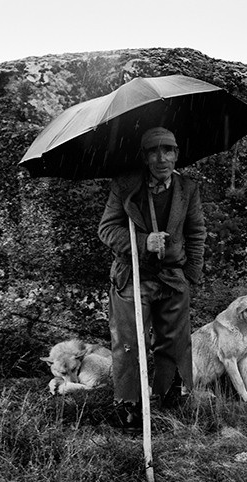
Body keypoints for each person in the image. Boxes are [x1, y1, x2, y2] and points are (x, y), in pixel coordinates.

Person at [98, 127, 206, 433]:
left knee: (174, 340)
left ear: (177, 154)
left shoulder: (187, 188)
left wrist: (190, 275)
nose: (162, 158)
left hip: (173, 278)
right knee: (130, 341)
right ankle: (129, 404)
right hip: (134, 274)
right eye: (154, 151)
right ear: (145, 157)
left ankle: (170, 395)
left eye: (168, 150)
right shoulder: (125, 186)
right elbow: (106, 229)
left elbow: (197, 232)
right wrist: (143, 242)